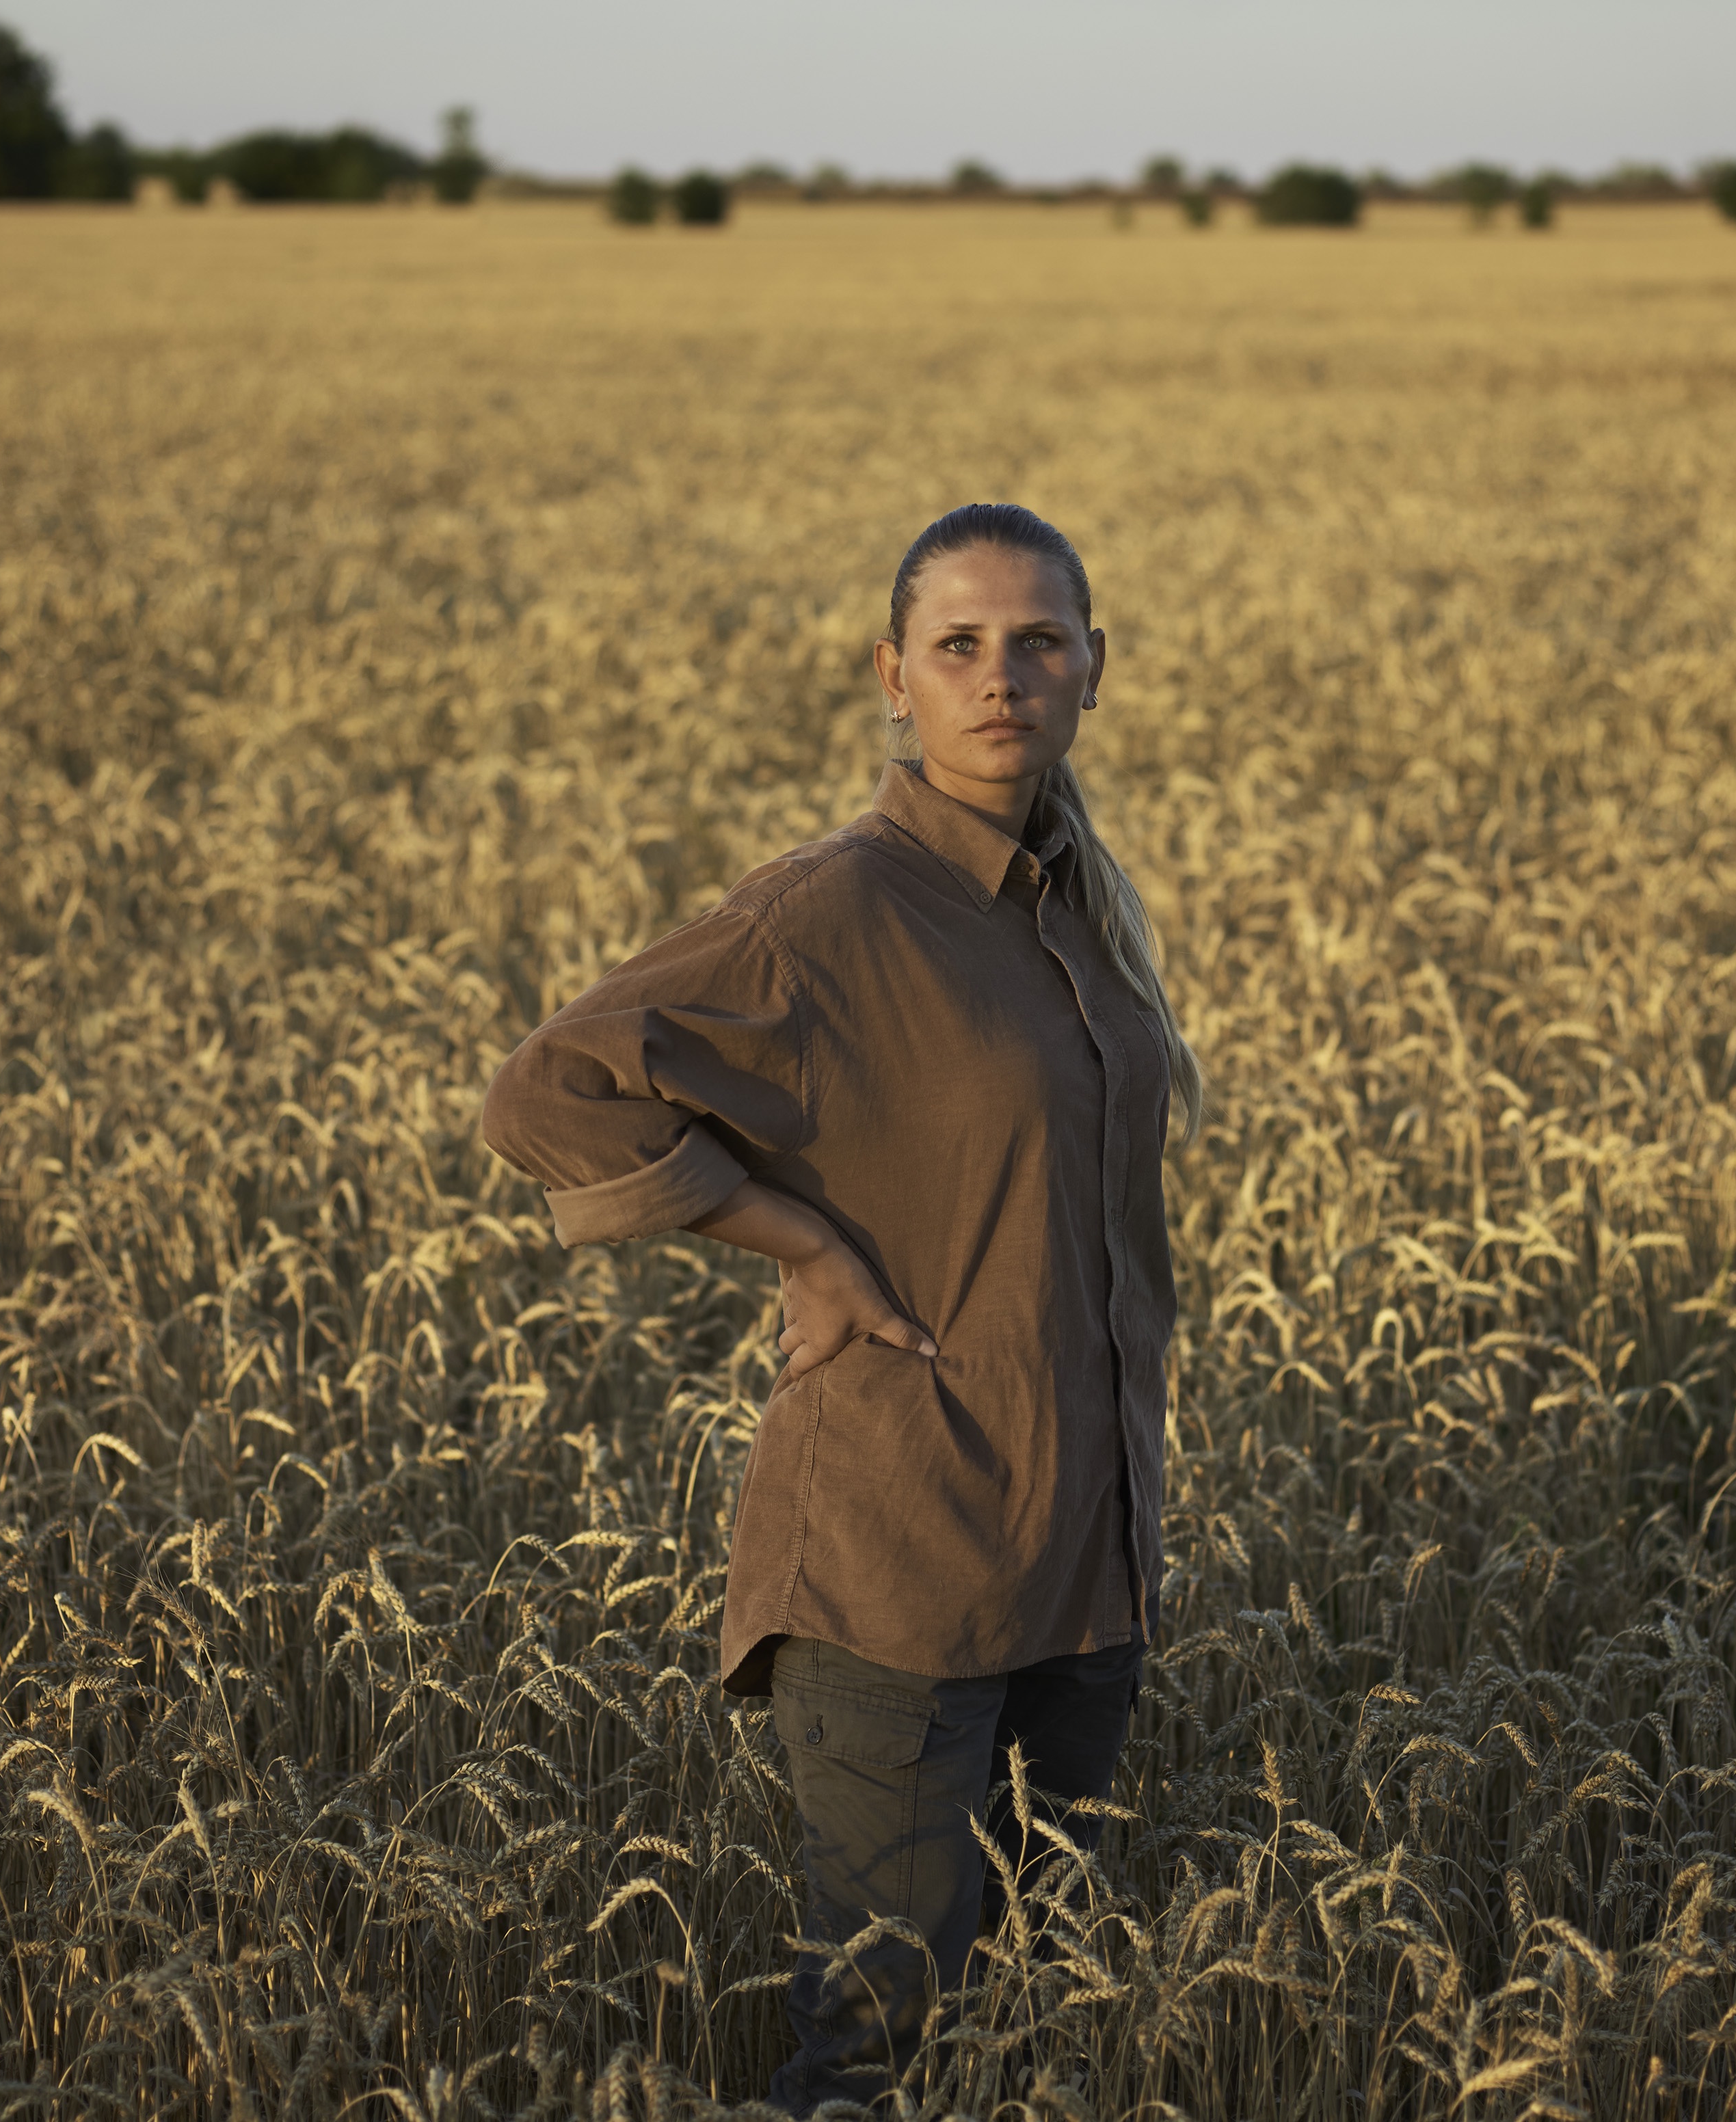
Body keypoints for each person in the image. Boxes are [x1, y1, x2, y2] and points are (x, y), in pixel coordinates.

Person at [481, 503, 1201, 2112]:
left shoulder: (1073, 898)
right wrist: (792, 1237)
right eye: (958, 646)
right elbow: (548, 1089)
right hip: (901, 1566)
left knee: (1033, 2010)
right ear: (895, 678)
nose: (1000, 677)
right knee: (878, 2049)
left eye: (1038, 642)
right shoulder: (835, 908)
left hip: (1089, 1565)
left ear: (1096, 668)